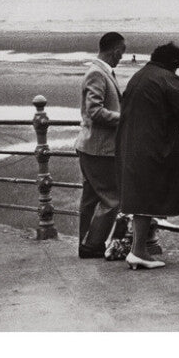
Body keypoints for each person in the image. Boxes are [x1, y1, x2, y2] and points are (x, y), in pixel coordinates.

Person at [117, 42, 179, 270]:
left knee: (140, 196)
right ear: (174, 64)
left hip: (129, 143)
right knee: (147, 196)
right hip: (152, 145)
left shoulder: (139, 75)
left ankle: (138, 249)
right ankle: (138, 251)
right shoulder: (167, 78)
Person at [74, 32, 127, 259]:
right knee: (112, 198)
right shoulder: (98, 73)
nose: (121, 58)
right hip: (100, 148)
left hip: (89, 146)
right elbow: (94, 111)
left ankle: (85, 241)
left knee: (90, 198)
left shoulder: (97, 71)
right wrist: (124, 119)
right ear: (115, 51)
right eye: (121, 53)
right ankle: (92, 245)